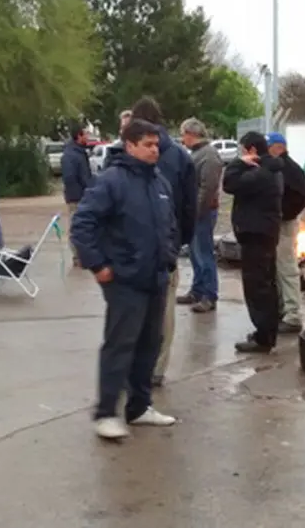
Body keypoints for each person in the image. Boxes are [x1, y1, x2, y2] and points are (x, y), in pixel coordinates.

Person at [70, 118, 178, 440]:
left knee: (150, 344)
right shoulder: (111, 182)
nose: (154, 150)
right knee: (120, 346)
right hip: (124, 280)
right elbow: (83, 224)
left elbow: (169, 225)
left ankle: (140, 407)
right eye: (147, 144)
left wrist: (169, 256)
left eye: (156, 144)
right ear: (129, 145)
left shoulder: (159, 182)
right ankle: (106, 413)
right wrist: (98, 265)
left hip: (156, 277)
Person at [130, 97, 196, 387]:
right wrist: (182, 239)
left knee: (133, 307)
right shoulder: (181, 156)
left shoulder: (128, 152)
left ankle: (134, 366)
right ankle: (156, 368)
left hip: (133, 248)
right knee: (164, 308)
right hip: (168, 247)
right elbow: (190, 205)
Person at [222, 131, 284, 353]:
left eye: (242, 151)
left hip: (256, 235)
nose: (241, 155)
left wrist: (238, 163)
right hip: (264, 232)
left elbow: (229, 184)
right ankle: (267, 332)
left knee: (258, 287)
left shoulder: (261, 172)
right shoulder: (272, 169)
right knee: (266, 284)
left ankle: (263, 337)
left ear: (252, 150)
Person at [177, 118, 223, 313]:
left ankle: (209, 295)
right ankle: (197, 290)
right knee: (196, 254)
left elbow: (208, 188)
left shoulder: (209, 156)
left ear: (191, 134)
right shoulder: (198, 154)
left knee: (204, 254)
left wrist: (196, 212)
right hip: (195, 212)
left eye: (183, 134)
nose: (181, 139)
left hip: (202, 213)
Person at [266, 132, 305, 333]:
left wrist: (283, 214)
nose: (266, 151)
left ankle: (293, 315)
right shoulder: (280, 167)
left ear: (279, 147)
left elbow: (301, 197)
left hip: (285, 224)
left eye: (269, 146)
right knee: (278, 267)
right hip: (278, 222)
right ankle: (283, 308)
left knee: (286, 267)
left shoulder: (290, 169)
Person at [61, 123, 94, 267]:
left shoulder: (80, 152)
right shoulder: (70, 155)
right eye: (85, 133)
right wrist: (80, 192)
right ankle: (77, 257)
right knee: (76, 227)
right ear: (78, 136)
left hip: (84, 196)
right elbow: (70, 178)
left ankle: (83, 255)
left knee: (85, 226)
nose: (88, 136)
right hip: (76, 197)